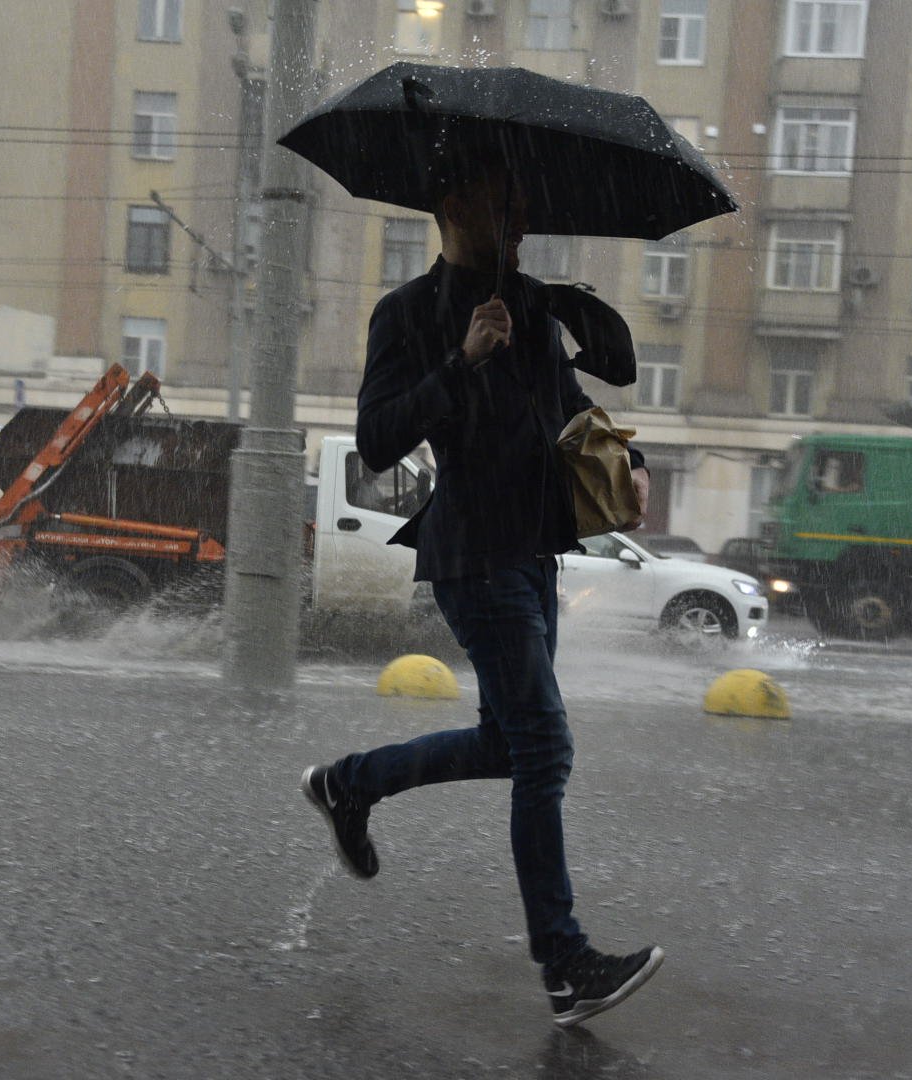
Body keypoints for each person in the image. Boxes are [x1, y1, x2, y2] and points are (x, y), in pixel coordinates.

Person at [300, 159, 663, 1029]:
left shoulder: (535, 306)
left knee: (509, 746)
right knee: (545, 748)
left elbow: (575, 402)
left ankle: (350, 784)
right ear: (452, 204)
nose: (521, 216)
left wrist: (632, 466)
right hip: (474, 555)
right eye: (505, 200)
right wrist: (462, 361)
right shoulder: (409, 314)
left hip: (537, 552)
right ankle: (565, 962)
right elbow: (380, 438)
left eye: (524, 201)